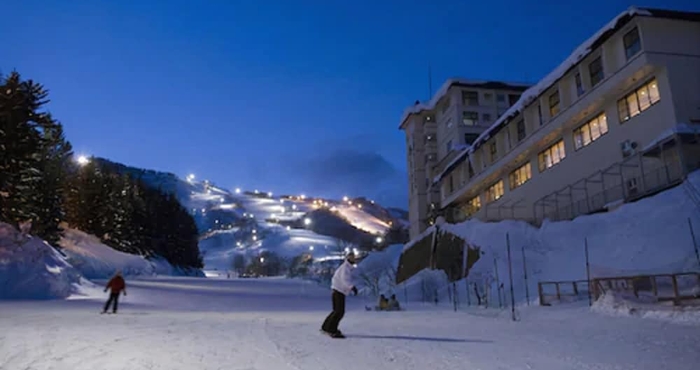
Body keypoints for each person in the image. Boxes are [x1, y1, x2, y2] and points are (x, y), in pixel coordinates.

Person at [321, 253, 358, 338]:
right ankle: (332, 330)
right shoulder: (345, 268)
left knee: (336, 311)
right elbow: (345, 280)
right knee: (339, 312)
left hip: (337, 290)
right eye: (353, 258)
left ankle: (326, 327)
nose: (354, 259)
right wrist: (352, 287)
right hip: (339, 291)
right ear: (349, 259)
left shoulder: (345, 267)